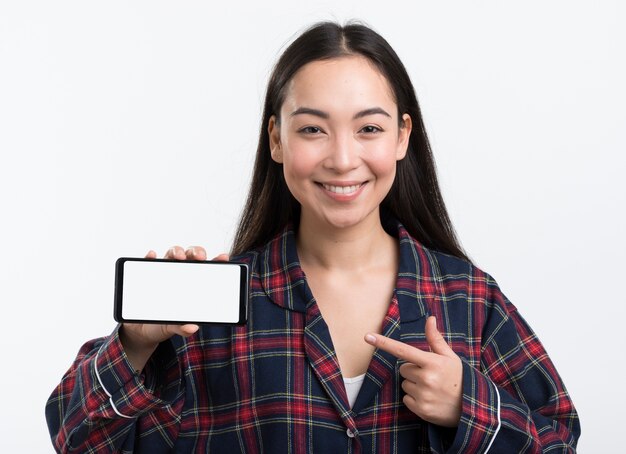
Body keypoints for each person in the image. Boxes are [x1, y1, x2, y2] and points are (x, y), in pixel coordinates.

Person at [46, 21, 580, 453]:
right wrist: (137, 345)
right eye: (312, 129)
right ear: (277, 140)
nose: (343, 158)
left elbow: (561, 442)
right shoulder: (207, 314)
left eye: (368, 128)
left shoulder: (470, 300)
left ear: (402, 137)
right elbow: (76, 440)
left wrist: (469, 406)